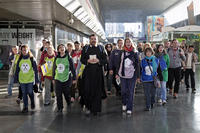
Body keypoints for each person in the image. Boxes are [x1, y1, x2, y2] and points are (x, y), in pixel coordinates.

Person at [81, 34, 107, 115]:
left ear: (97, 40)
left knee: (97, 91)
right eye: (92, 39)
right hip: (88, 73)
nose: (93, 40)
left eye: (94, 39)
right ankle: (88, 107)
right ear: (89, 40)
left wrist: (99, 61)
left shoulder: (101, 48)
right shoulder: (86, 48)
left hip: (98, 72)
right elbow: (82, 59)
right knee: (87, 90)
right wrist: (87, 61)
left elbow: (105, 59)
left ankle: (96, 109)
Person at [116, 38, 140, 115]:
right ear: (125, 43)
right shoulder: (121, 52)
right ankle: (124, 103)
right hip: (123, 74)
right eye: (126, 42)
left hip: (132, 75)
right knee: (123, 91)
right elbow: (118, 63)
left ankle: (129, 108)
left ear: (131, 43)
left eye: (129, 42)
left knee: (130, 91)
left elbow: (137, 65)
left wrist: (138, 76)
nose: (128, 43)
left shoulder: (135, 53)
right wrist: (117, 73)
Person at [14, 45, 39, 113]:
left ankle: (32, 101)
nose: (24, 51)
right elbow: (17, 70)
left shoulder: (32, 59)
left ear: (28, 50)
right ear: (21, 51)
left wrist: (37, 80)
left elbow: (36, 71)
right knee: (24, 93)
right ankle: (25, 107)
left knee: (30, 92)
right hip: (22, 80)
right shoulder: (20, 59)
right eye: (23, 50)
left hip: (30, 79)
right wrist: (16, 79)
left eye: (25, 50)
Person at [52, 44, 76, 113]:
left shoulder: (69, 57)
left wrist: (74, 78)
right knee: (58, 94)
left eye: (63, 47)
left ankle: (68, 101)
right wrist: (53, 78)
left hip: (66, 78)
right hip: (58, 78)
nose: (61, 48)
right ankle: (60, 107)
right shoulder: (56, 58)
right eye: (60, 48)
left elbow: (72, 68)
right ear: (58, 50)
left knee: (66, 93)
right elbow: (54, 68)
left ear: (65, 49)